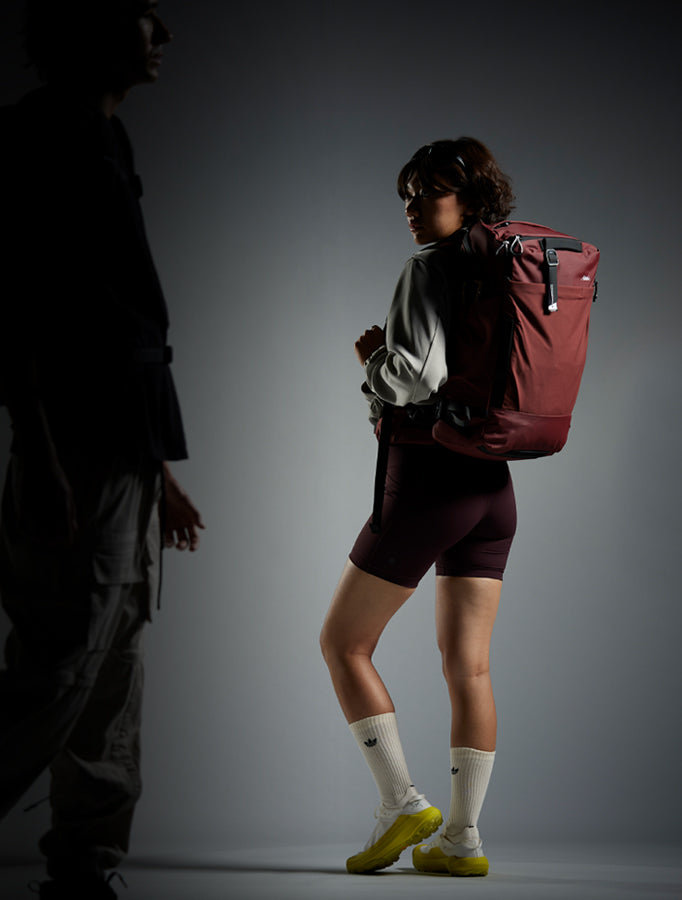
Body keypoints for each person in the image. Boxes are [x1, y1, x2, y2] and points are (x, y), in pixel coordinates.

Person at [0, 2, 204, 898]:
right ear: (89, 31)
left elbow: (115, 320)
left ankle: (84, 869)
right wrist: (39, 453)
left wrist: (158, 470)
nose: (161, 36)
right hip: (74, 447)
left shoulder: (106, 141)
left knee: (116, 658)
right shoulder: (42, 137)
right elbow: (13, 306)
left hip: (123, 447)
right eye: (141, 19)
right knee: (64, 658)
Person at [320, 138, 517, 876]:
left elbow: (409, 378)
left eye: (426, 194)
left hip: (430, 481)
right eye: (406, 195)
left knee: (343, 644)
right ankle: (461, 844)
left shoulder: (429, 269)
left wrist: (372, 358)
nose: (411, 209)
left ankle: (404, 804)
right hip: (493, 489)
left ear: (468, 200)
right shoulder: (502, 268)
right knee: (469, 669)